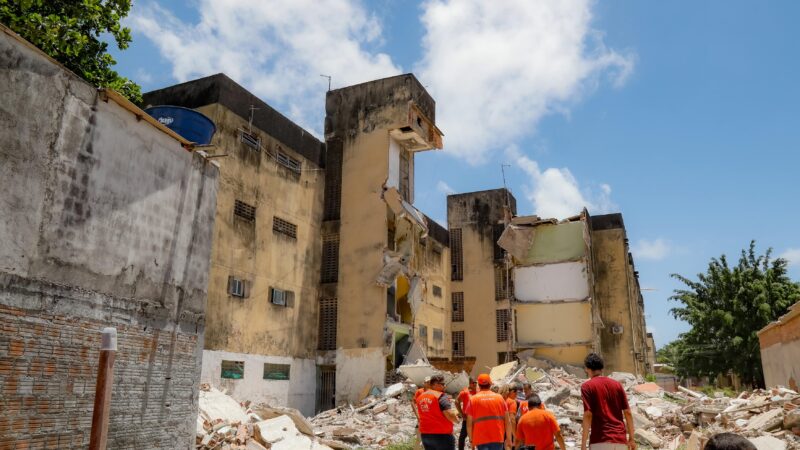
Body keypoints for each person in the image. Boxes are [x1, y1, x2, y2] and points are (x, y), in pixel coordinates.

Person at [580, 353, 636, 450]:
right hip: (620, 441)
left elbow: (588, 414)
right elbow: (627, 413)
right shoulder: (617, 385)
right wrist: (631, 439)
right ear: (602, 368)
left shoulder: (587, 386)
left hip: (600, 441)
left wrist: (583, 445)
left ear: (588, 369)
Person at [466, 373, 512, 450]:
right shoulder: (500, 398)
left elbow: (469, 424)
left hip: (481, 438)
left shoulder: (473, 399)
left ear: (479, 385)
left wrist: (471, 440)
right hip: (497, 437)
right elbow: (508, 421)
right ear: (490, 384)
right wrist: (509, 439)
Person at [416, 374, 460, 450]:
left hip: (425, 435)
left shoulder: (420, 397)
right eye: (442, 384)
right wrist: (457, 420)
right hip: (441, 435)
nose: (444, 386)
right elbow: (449, 414)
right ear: (435, 384)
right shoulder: (440, 396)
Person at [456, 377, 477, 450]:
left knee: (476, 436)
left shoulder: (478, 391)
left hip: (476, 419)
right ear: (470, 383)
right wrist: (461, 413)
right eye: (473, 383)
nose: (475, 384)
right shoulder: (465, 392)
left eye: (476, 383)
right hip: (467, 419)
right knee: (462, 436)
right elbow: (456, 402)